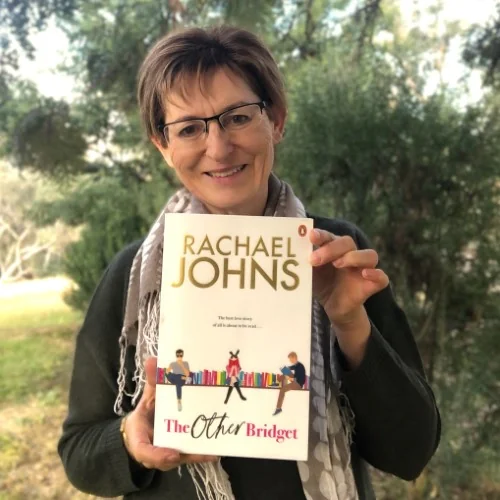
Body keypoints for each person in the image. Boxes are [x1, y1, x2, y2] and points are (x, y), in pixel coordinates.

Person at [58, 25, 441, 500]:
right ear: (164, 146)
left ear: (275, 119)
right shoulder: (137, 274)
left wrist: (349, 323)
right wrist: (128, 440)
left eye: (237, 117)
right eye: (190, 128)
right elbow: (79, 451)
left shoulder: (335, 253)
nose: (217, 148)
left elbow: (411, 450)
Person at [273, 352, 306, 416]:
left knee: (282, 390)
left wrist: (290, 379)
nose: (290, 361)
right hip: (295, 381)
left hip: (298, 385)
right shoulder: (297, 365)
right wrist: (284, 369)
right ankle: (277, 383)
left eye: (291, 359)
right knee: (285, 370)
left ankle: (278, 408)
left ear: (294, 358)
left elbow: (301, 380)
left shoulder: (300, 367)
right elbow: (290, 368)